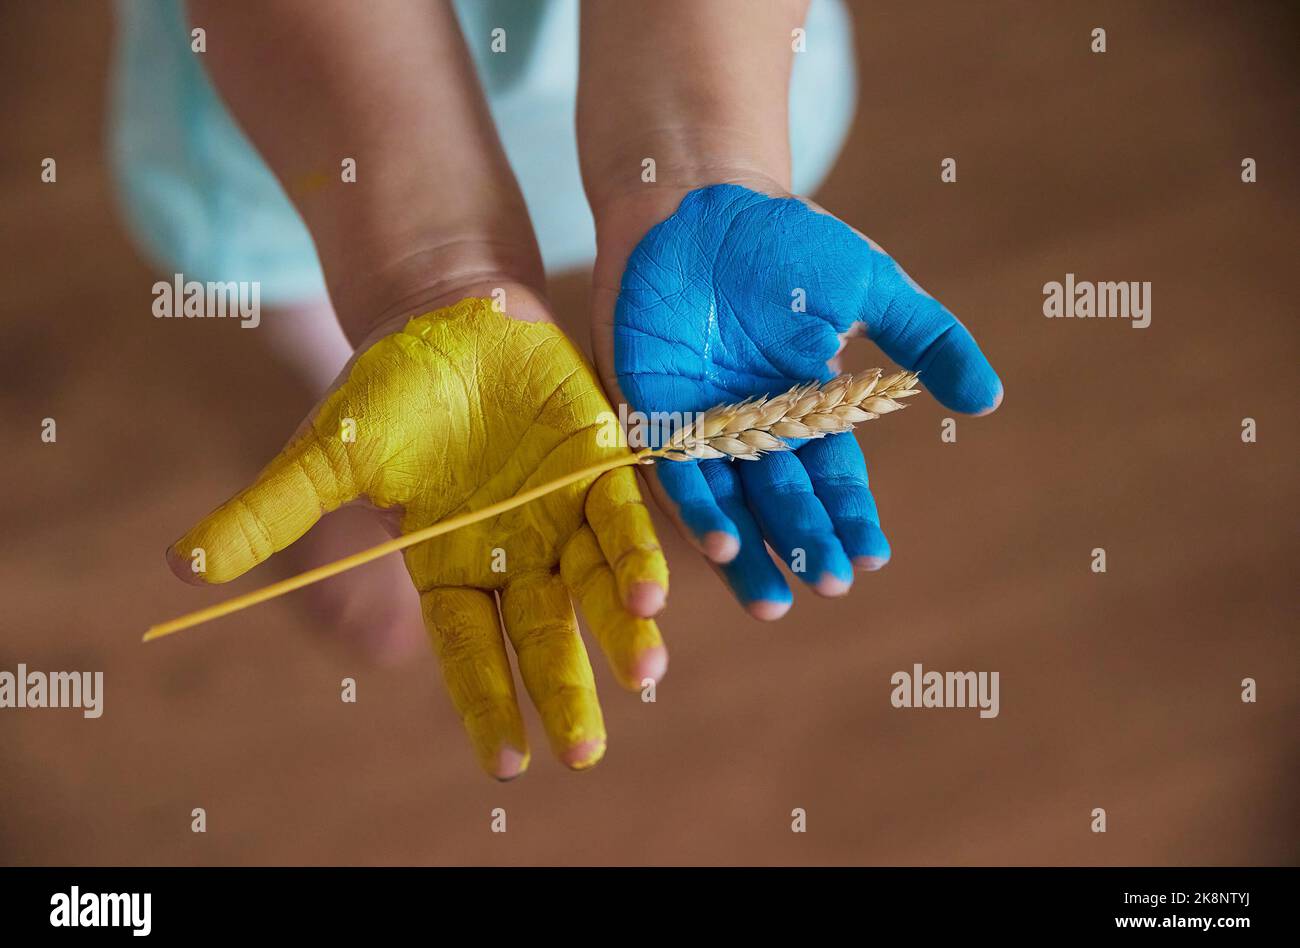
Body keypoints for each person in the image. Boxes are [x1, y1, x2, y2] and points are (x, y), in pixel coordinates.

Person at [113, 0, 1000, 778]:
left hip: (715, 59)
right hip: (320, 127)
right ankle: (373, 457)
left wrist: (698, 156)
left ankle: (392, 425)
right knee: (350, 333)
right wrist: (425, 275)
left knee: (404, 356)